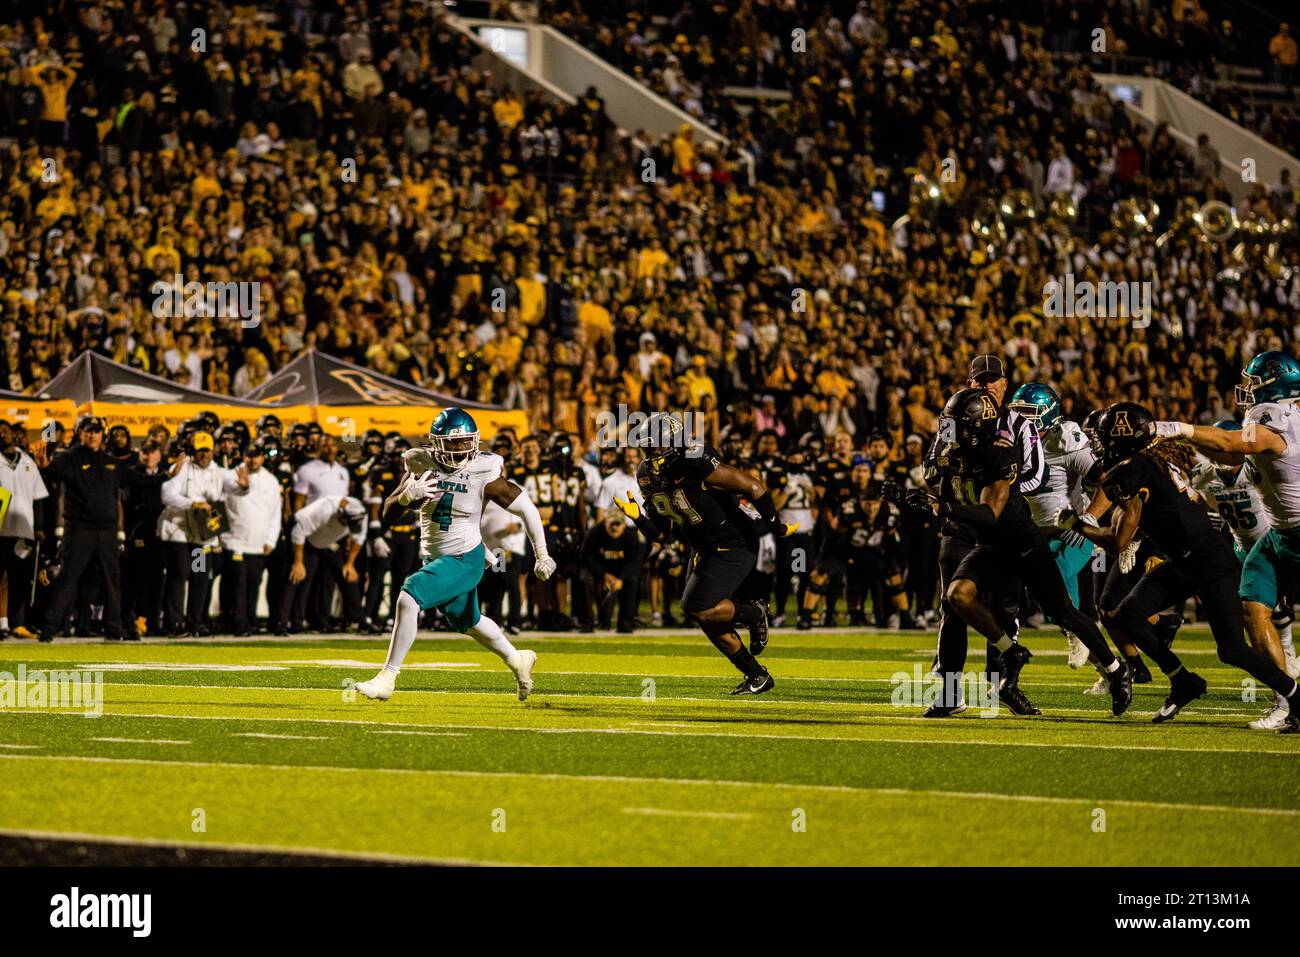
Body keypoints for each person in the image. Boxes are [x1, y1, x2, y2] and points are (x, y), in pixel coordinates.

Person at [893, 388, 1131, 717]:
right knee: (958, 596)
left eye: (958, 424)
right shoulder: (956, 452)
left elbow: (988, 512)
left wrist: (940, 508)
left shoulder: (999, 453)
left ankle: (1117, 671)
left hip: (1023, 545)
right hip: (991, 545)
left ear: (977, 425)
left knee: (1064, 613)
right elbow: (948, 493)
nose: (949, 430)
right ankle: (1011, 652)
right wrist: (916, 500)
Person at [1073, 402, 1300, 731]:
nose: (1098, 442)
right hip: (1186, 559)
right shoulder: (1142, 462)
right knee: (1126, 615)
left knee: (1232, 650)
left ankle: (1294, 694)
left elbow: (1116, 541)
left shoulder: (1131, 469)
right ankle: (1183, 681)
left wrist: (1077, 524)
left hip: (1210, 563)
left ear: (1119, 437)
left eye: (1104, 435)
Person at [356, 408, 554, 701]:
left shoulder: (485, 471)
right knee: (469, 621)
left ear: (474, 441)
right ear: (436, 443)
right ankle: (517, 658)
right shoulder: (419, 463)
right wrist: (406, 498)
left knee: (408, 597)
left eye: (464, 441)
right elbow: (388, 513)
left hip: (465, 557)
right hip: (435, 557)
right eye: (453, 442)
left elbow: (526, 509)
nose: (460, 449)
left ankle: (388, 677)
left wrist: (542, 554)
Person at [1156, 352, 1300, 729]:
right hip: (1276, 535)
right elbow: (1225, 447)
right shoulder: (1276, 416)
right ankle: (1288, 702)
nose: (1248, 391)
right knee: (1253, 610)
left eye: (1254, 383)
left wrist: (1181, 428)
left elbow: (1232, 443)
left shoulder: (1279, 420)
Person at [616, 411, 796, 695]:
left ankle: (754, 612)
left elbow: (753, 486)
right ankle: (756, 674)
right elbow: (661, 534)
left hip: (734, 541)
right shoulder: (647, 474)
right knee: (702, 614)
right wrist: (639, 518)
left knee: (698, 607)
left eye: (658, 447)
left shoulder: (696, 462)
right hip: (703, 546)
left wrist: (776, 526)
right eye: (648, 447)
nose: (652, 454)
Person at [41, 416, 130, 642]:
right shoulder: (69, 458)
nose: (92, 435)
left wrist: (166, 476)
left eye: (97, 431)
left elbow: (135, 480)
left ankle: (114, 630)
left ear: (102, 434)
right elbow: (52, 474)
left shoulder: (110, 461)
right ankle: (49, 629)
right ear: (79, 433)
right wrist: (45, 465)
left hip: (107, 530)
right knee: (68, 578)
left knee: (112, 581)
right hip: (80, 529)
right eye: (88, 430)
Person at [158, 431, 228, 637]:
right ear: (193, 451)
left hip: (200, 537)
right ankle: (174, 623)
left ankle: (194, 622)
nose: (204, 455)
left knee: (200, 577)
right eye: (200, 451)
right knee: (179, 575)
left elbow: (228, 495)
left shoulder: (218, 471)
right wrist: (191, 503)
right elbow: (167, 495)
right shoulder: (181, 469)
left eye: (207, 450)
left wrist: (215, 537)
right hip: (178, 532)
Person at [280, 495, 374, 634]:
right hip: (304, 539)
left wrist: (349, 564)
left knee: (346, 577)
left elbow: (359, 539)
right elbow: (298, 533)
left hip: (328, 540)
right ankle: (286, 623)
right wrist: (298, 562)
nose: (346, 526)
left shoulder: (359, 514)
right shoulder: (323, 510)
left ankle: (361, 620)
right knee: (298, 577)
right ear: (340, 512)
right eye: (345, 522)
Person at [221, 439, 282, 635]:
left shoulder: (271, 480)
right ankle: (238, 624)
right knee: (238, 583)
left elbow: (276, 512)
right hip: (235, 541)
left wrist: (271, 540)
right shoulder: (230, 476)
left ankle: (251, 622)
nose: (252, 459)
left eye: (256, 455)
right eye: (249, 455)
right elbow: (219, 507)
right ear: (243, 456)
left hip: (258, 543)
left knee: (253, 584)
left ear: (263, 457)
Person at [0, 419, 48, 638]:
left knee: (21, 579)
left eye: (5, 431)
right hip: (1, 529)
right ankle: (2, 623)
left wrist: (39, 526)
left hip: (24, 529)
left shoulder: (28, 461)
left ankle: (19, 624)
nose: (2, 435)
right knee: (1, 579)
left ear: (12, 434)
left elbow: (38, 497)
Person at [580, 509, 641, 632]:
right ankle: (587, 623)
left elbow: (634, 561)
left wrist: (620, 578)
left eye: (618, 524)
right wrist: (603, 575)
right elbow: (586, 556)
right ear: (605, 522)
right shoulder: (595, 532)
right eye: (612, 524)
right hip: (597, 568)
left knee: (632, 580)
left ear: (624, 525)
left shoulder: (631, 536)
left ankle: (625, 624)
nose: (614, 527)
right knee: (584, 579)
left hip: (619, 570)